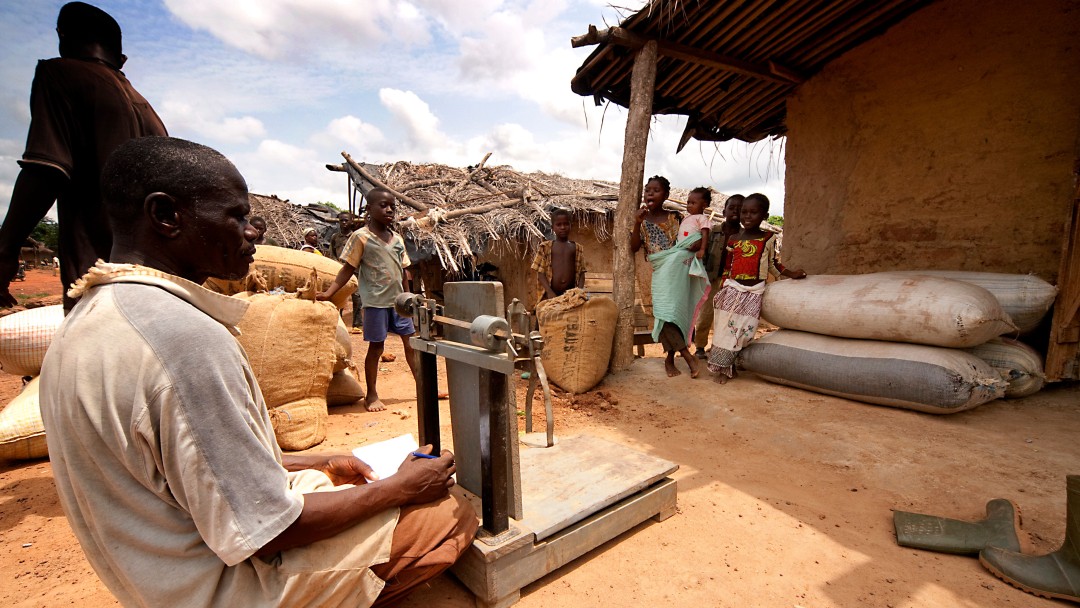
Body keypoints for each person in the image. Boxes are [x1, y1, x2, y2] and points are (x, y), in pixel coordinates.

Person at [39, 137, 477, 608]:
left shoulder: (89, 319)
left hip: (159, 572)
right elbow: (267, 532)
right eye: (237, 216)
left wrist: (316, 461)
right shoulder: (184, 341)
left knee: (339, 480)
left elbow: (192, 471)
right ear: (166, 216)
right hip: (226, 587)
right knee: (448, 513)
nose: (253, 233)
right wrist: (398, 489)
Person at [0, 2, 167, 312]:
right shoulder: (146, 108)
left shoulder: (61, 75)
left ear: (63, 37)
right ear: (121, 56)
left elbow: (46, 169)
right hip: (154, 279)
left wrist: (6, 247)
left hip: (97, 277)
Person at [318, 188, 418, 412]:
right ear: (369, 209)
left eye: (392, 205)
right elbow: (348, 268)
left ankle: (422, 387)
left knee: (412, 345)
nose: (389, 209)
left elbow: (404, 271)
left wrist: (408, 297)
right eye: (383, 205)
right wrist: (329, 293)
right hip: (375, 302)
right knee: (377, 348)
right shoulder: (361, 237)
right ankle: (371, 395)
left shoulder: (398, 239)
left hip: (399, 303)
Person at [708, 193, 807, 383]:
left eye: (754, 212)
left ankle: (736, 362)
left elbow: (772, 264)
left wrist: (791, 274)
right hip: (732, 289)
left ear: (765, 216)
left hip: (754, 292)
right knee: (725, 331)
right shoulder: (734, 239)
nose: (747, 216)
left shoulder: (767, 238)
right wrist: (723, 288)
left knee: (746, 330)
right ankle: (724, 369)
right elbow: (728, 267)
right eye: (744, 212)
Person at [630, 175, 703, 379]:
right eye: (647, 190)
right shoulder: (641, 221)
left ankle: (670, 359)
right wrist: (636, 223)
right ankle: (687, 356)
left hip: (679, 270)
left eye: (656, 190)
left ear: (666, 195)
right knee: (664, 312)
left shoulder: (677, 218)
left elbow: (694, 237)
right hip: (661, 270)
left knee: (676, 312)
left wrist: (697, 244)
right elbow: (634, 246)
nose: (650, 193)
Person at [693, 194, 744, 359]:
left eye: (740, 208)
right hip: (713, 279)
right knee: (705, 314)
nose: (735, 211)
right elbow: (703, 252)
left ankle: (724, 347)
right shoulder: (714, 231)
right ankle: (700, 347)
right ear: (724, 211)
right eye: (732, 208)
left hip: (734, 282)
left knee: (730, 316)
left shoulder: (745, 236)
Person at [531, 208, 587, 307]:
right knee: (543, 319)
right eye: (559, 225)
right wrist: (549, 291)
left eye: (566, 224)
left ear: (570, 226)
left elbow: (582, 273)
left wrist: (579, 291)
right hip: (550, 295)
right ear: (553, 227)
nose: (562, 227)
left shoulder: (577, 248)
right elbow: (540, 273)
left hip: (570, 296)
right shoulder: (545, 247)